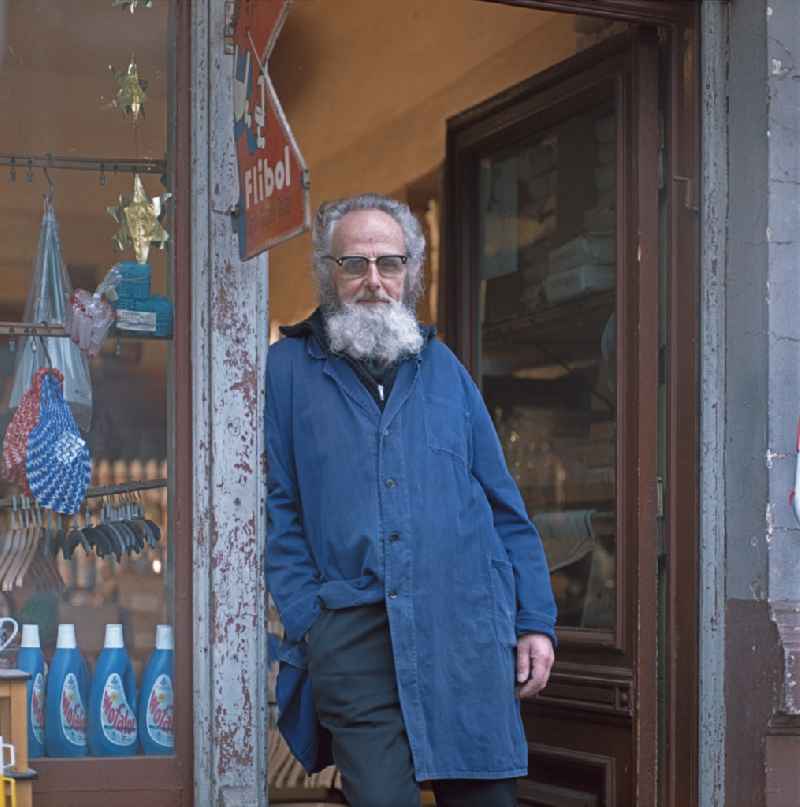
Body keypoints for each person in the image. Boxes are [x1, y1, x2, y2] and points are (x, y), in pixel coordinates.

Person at [266, 193, 556, 807]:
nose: (374, 280)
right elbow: (275, 508)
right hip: (353, 634)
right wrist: (310, 619)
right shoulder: (286, 371)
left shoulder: (446, 370)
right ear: (329, 272)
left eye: (389, 263)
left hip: (464, 633)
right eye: (355, 264)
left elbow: (505, 507)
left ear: (410, 274)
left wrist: (534, 621)